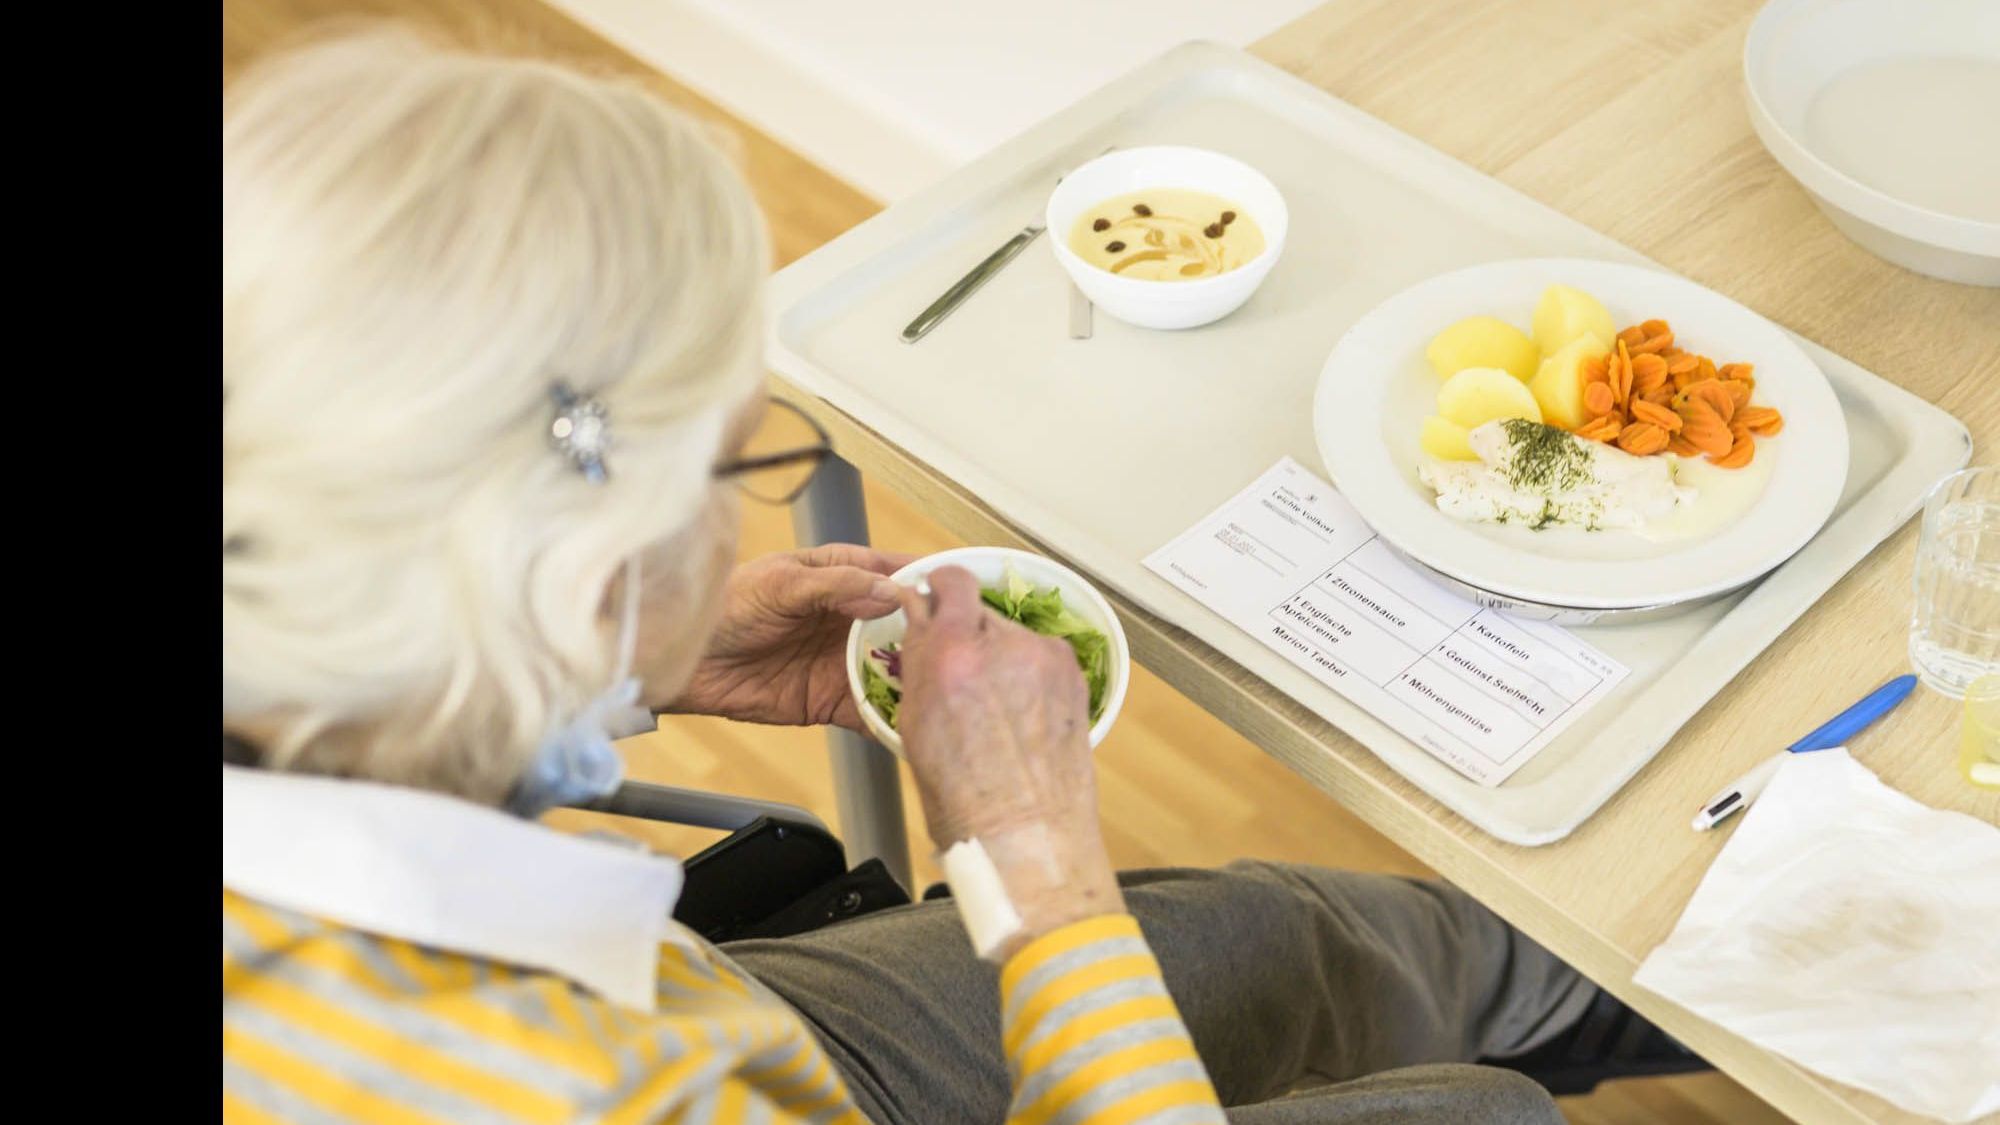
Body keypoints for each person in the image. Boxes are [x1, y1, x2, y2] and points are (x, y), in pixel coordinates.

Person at [223, 27, 1639, 1125]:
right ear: (583, 570)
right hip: (716, 1061)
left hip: (710, 1004)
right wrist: (1032, 850)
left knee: (1320, 936)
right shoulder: (557, 1086)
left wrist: (625, 667)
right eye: (731, 468)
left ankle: (1661, 1002)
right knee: (1481, 1108)